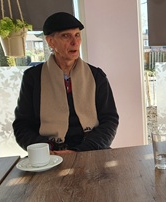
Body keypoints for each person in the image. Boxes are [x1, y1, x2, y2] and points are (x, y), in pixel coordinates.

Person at [13, 12, 119, 155]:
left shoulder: (96, 75)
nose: (74, 42)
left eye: (77, 35)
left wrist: (80, 151)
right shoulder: (32, 78)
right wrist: (46, 151)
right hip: (49, 155)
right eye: (66, 36)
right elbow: (22, 125)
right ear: (50, 41)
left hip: (91, 150)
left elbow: (110, 120)